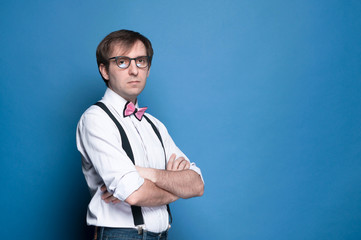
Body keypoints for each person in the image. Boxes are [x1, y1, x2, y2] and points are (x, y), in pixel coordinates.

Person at [76, 29, 204, 240]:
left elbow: (197, 185)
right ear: (105, 70)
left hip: (162, 235)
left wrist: (145, 173)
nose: (134, 70)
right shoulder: (96, 119)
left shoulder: (155, 125)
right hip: (122, 236)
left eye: (141, 61)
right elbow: (134, 193)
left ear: (148, 68)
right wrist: (177, 188)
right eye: (122, 62)